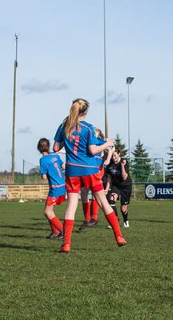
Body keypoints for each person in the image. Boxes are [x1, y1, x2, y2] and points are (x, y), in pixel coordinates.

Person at [53, 98, 126, 253]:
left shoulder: (64, 125)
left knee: (71, 206)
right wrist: (107, 144)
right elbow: (93, 150)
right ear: (85, 112)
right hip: (90, 170)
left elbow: (55, 147)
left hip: (72, 171)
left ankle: (66, 244)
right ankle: (118, 236)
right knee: (104, 203)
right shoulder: (89, 128)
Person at [38, 137, 66, 239]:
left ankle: (63, 231)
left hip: (55, 188)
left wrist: (42, 173)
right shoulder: (55, 156)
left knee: (47, 212)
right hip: (62, 186)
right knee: (50, 211)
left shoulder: (43, 160)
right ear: (48, 146)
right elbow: (63, 167)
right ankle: (55, 232)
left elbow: (44, 177)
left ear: (39, 148)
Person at [104, 144, 134, 228]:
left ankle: (126, 221)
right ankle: (115, 221)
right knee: (111, 199)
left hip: (126, 186)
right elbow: (109, 178)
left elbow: (124, 177)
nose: (114, 158)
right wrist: (106, 189)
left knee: (123, 208)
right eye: (112, 156)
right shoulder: (110, 164)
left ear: (119, 154)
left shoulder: (124, 162)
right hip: (116, 185)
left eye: (115, 156)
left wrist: (122, 166)